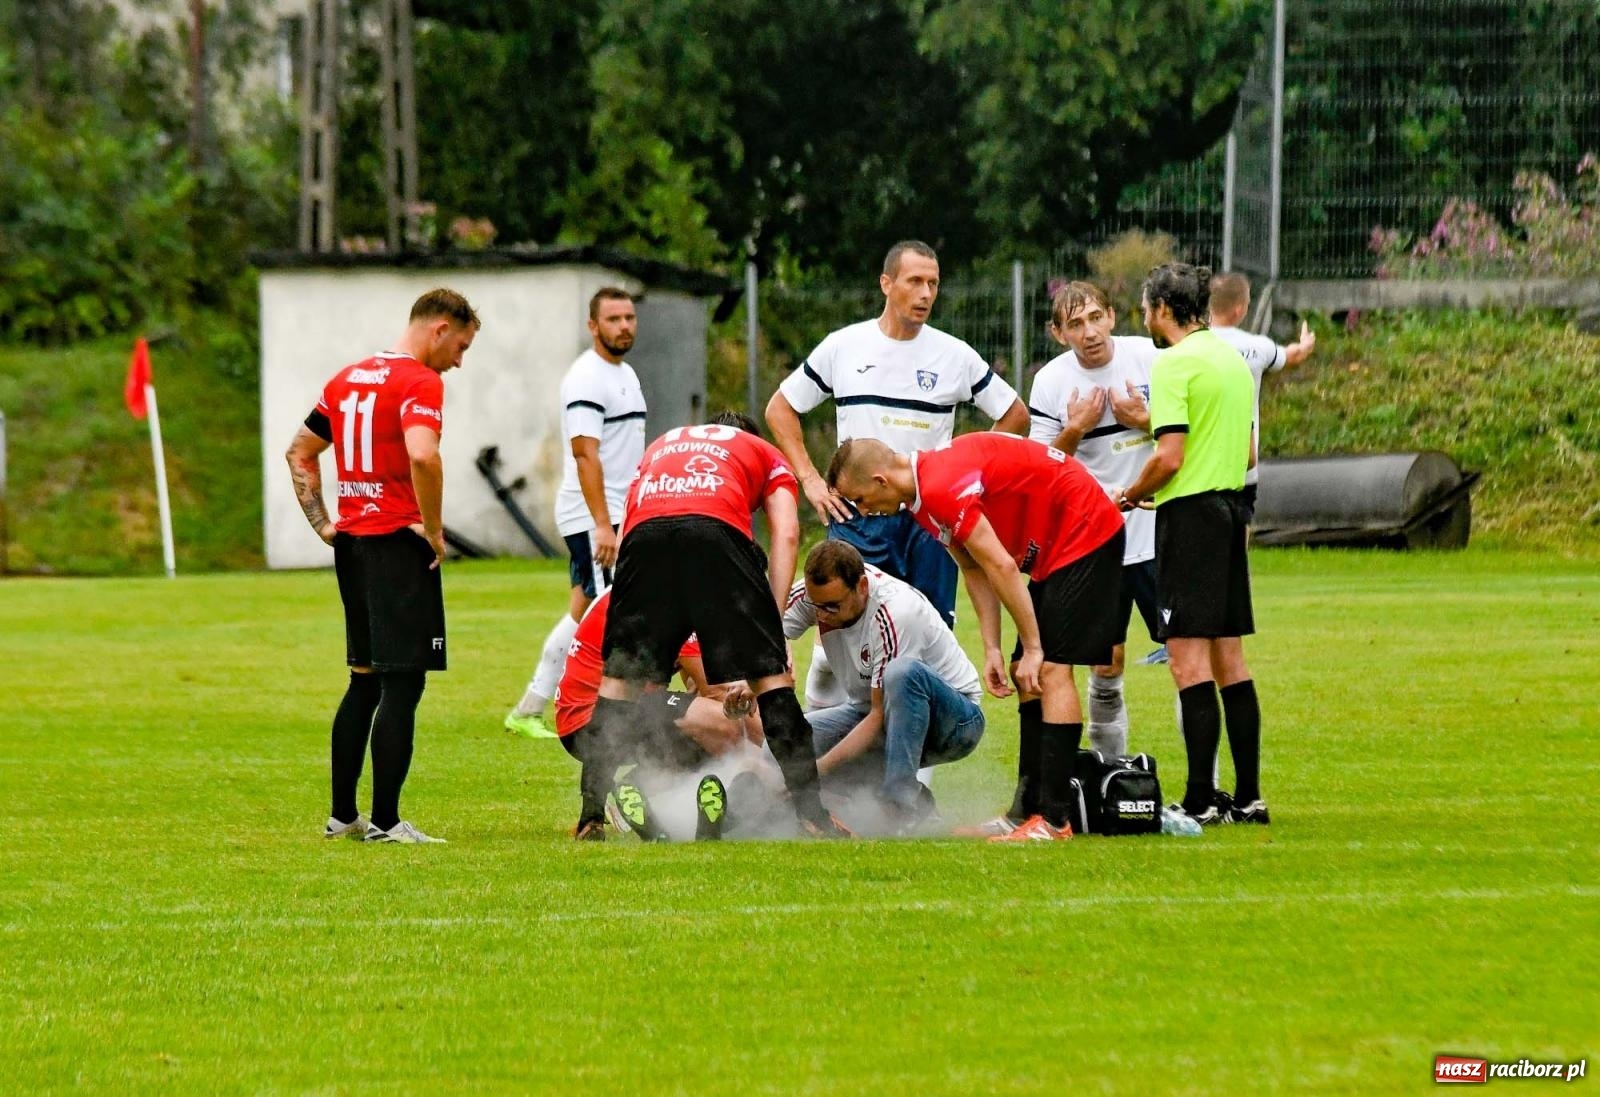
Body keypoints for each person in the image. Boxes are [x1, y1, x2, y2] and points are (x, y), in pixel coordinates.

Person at [765, 240, 1027, 708]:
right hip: (858, 513)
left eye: (933, 284)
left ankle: (910, 776)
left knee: (922, 643)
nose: (926, 293)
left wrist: (966, 478)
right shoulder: (845, 346)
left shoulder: (954, 355)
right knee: (837, 631)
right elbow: (780, 408)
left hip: (929, 518)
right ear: (887, 284)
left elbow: (1014, 415)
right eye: (915, 281)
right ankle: (821, 758)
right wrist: (809, 479)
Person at [827, 432, 1125, 842]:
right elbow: (973, 568)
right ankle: (1024, 812)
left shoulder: (938, 485)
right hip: (1058, 547)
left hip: (1087, 532)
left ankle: (1055, 821)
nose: (862, 511)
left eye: (859, 500)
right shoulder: (920, 502)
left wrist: (1035, 646)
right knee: (1025, 672)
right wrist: (992, 649)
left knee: (1051, 670)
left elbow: (1001, 564)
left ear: (880, 480)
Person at [593, 411, 849, 837]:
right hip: (656, 716)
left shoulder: (661, 449)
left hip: (594, 714)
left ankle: (590, 814)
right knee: (765, 692)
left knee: (619, 686)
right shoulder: (766, 457)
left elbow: (627, 541)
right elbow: (786, 534)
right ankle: (813, 815)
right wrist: (771, 629)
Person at [285, 287, 480, 844]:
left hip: (353, 546)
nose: (459, 361)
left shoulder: (346, 380)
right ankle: (388, 823)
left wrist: (325, 525)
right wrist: (435, 529)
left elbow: (300, 451)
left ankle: (342, 815)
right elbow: (423, 453)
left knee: (363, 681)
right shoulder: (421, 382)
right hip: (398, 544)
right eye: (461, 346)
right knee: (403, 685)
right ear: (439, 328)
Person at [1115, 263, 1268, 826]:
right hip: (1230, 513)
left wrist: (1132, 494)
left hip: (1192, 521)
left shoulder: (1173, 363)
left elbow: (1170, 456)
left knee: (1186, 660)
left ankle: (1202, 798)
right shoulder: (1231, 359)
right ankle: (1249, 797)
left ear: (1159, 308)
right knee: (1231, 658)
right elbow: (1248, 454)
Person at [1026, 280, 1162, 761]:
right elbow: (1041, 467)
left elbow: (1186, 435)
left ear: (1111, 316)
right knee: (1107, 663)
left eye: (1095, 318)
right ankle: (1111, 771)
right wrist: (1075, 430)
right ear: (1058, 332)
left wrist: (1145, 419)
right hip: (1095, 542)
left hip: (1158, 535)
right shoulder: (1050, 381)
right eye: (1075, 324)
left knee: (1192, 659)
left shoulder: (1151, 358)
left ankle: (1202, 790)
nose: (1089, 332)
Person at [505, 288, 646, 739]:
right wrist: (603, 525)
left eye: (629, 317)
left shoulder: (624, 373)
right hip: (594, 518)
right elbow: (586, 455)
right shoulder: (587, 377)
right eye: (613, 319)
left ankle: (529, 708)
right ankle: (592, 711)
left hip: (616, 513)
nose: (624, 326)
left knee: (584, 608)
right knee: (609, 613)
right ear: (593, 326)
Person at [779, 541, 985, 833]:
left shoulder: (896, 611)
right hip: (871, 714)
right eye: (817, 606)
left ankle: (900, 807)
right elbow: (765, 633)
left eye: (832, 606)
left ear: (862, 587)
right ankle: (912, 804)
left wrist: (815, 772)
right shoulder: (811, 597)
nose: (821, 615)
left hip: (955, 722)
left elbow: (879, 717)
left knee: (903, 674)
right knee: (784, 745)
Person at [553, 589, 761, 841]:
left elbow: (693, 682)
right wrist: (774, 755)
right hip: (596, 717)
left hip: (580, 720)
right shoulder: (682, 600)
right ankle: (641, 792)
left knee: (700, 728)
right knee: (722, 724)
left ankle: (627, 799)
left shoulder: (656, 581)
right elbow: (720, 692)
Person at [1207, 272, 1317, 519]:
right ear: (1239, 310)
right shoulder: (1258, 347)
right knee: (1239, 543)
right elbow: (1293, 355)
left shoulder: (1188, 346)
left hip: (1200, 468)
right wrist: (1305, 345)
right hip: (1243, 465)